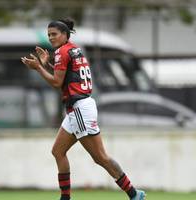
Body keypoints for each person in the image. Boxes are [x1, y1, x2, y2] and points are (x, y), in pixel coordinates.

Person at [21, 18, 146, 200]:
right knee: (58, 151)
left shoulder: (62, 52)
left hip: (80, 109)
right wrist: (47, 64)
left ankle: (134, 194)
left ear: (65, 34)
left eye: (54, 34)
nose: (51, 38)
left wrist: (39, 68)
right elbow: (65, 77)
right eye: (49, 35)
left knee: (100, 157)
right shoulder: (73, 49)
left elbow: (57, 82)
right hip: (78, 108)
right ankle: (65, 198)